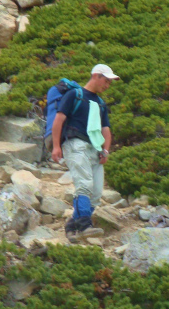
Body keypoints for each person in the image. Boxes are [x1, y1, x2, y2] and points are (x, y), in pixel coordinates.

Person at [51, 64, 119, 241]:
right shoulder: (74, 95)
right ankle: (84, 226)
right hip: (75, 144)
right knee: (84, 184)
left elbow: (106, 130)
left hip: (95, 149)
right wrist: (56, 146)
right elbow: (59, 120)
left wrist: (105, 150)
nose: (107, 85)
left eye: (109, 83)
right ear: (96, 76)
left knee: (96, 194)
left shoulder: (100, 103)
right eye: (106, 81)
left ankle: (72, 226)